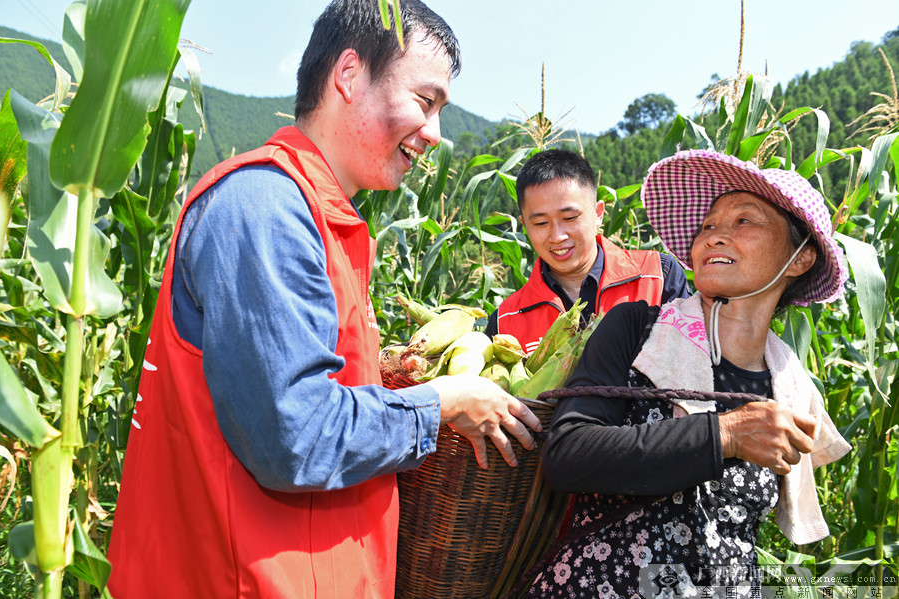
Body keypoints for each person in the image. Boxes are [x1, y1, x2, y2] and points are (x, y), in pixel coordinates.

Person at [106, 1, 541, 597]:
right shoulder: (264, 208)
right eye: (426, 100)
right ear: (348, 75)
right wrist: (438, 401)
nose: (436, 134)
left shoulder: (323, 217)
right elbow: (294, 433)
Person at [525, 149, 851, 598]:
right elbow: (568, 454)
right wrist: (725, 435)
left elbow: (737, 540)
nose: (716, 236)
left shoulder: (789, 388)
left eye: (744, 222)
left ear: (799, 259)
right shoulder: (635, 330)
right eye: (708, 227)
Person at [485, 149, 691, 354]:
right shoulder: (505, 322)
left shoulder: (659, 275)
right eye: (540, 223)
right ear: (524, 225)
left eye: (570, 218)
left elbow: (691, 361)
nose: (557, 236)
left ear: (598, 213)